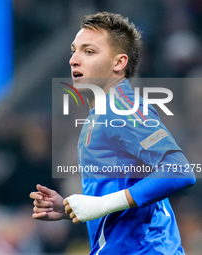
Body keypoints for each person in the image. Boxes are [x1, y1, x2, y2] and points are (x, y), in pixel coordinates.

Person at [30, 12, 196, 254]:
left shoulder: (123, 110)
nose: (74, 60)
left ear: (119, 63)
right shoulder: (100, 115)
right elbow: (122, 193)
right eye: (74, 50)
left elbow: (179, 172)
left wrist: (100, 204)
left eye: (89, 51)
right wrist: (68, 209)